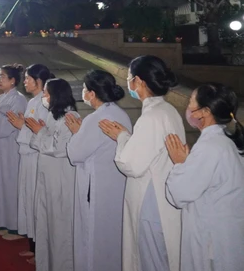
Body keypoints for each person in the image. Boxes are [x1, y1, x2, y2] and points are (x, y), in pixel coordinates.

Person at [99, 55, 185, 271]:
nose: (128, 83)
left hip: (151, 199)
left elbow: (131, 164)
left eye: (129, 78)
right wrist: (127, 136)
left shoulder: (152, 117)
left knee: (151, 260)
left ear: (139, 81)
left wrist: (121, 137)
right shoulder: (167, 110)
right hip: (163, 195)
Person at [165, 83, 244, 271]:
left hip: (212, 241)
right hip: (225, 236)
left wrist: (178, 163)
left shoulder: (211, 146)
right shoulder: (225, 140)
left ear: (204, 112)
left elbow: (179, 194)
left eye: (191, 101)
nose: (188, 106)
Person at [66, 70, 131, 271]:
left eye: (85, 89)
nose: (83, 92)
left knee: (94, 238)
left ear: (92, 93)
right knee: (113, 236)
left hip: (96, 188)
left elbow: (75, 154)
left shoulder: (97, 118)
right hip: (116, 184)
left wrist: (76, 133)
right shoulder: (121, 114)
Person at [25, 79, 78, 270]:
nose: (44, 98)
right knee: (46, 222)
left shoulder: (70, 117)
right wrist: (41, 132)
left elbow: (60, 148)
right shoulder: (52, 115)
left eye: (46, 94)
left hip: (60, 178)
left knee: (60, 225)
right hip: (47, 176)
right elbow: (37, 142)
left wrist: (40, 132)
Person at [6, 64, 53, 258]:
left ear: (38, 81)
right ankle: (33, 245)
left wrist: (21, 126)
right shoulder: (33, 101)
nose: (24, 82)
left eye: (27, 78)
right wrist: (22, 126)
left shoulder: (44, 102)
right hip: (27, 156)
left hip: (36, 157)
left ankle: (39, 250)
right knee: (28, 199)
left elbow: (41, 131)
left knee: (36, 202)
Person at [0, 63, 27, 236]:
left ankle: (15, 225)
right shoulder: (1, 98)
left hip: (11, 148)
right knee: (0, 183)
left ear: (12, 80)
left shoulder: (18, 99)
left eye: (3, 76)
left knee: (11, 184)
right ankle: (2, 220)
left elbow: (9, 125)